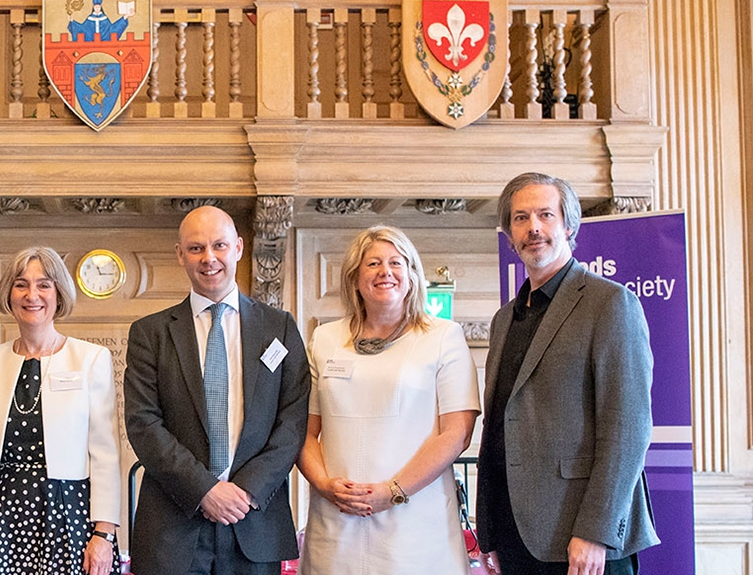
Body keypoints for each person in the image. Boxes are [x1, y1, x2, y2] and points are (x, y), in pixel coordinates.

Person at [477, 172, 658, 575]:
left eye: (545, 215)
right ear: (509, 233)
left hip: (585, 539)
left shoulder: (610, 304)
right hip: (515, 534)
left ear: (569, 225)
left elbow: (627, 428)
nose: (533, 227)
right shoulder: (505, 319)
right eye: (520, 218)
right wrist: (488, 529)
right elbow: (497, 429)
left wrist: (596, 531)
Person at [124, 205, 310, 574]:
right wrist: (205, 490)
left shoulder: (280, 327)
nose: (209, 258)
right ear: (180, 255)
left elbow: (293, 420)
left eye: (219, 246)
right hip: (172, 526)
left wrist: (245, 492)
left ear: (238, 248)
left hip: (253, 520)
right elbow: (144, 424)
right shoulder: (150, 333)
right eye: (196, 248)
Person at [297, 225, 480, 574]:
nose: (386, 272)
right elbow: (303, 432)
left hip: (415, 525)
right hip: (337, 525)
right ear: (354, 278)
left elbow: (456, 434)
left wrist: (393, 491)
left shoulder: (444, 337)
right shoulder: (324, 339)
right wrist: (324, 485)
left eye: (397, 263)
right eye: (373, 264)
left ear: (412, 276)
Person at [0, 246, 121, 575]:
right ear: (9, 294)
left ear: (59, 294)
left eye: (44, 284)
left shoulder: (90, 359)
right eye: (21, 284)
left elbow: (105, 453)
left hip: (70, 516)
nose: (32, 294)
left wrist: (104, 533)